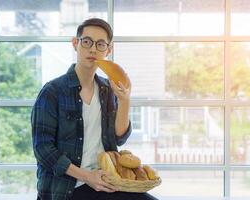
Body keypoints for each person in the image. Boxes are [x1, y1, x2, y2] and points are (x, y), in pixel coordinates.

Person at [31, 18, 158, 200]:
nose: (93, 49)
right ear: (76, 44)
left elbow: (119, 138)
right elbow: (42, 149)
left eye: (100, 44)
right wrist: (87, 176)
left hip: (107, 181)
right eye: (87, 42)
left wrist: (124, 101)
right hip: (66, 188)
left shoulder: (108, 89)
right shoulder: (53, 92)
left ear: (108, 49)